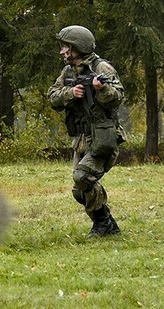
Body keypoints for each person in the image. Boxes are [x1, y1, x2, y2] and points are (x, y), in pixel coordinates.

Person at [48, 26, 126, 238]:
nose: (62, 51)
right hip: (81, 138)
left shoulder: (101, 68)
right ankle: (108, 224)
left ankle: (103, 224)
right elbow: (53, 96)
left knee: (82, 177)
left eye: (65, 47)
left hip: (102, 137)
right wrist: (70, 93)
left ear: (77, 47)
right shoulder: (68, 72)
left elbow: (118, 97)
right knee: (79, 189)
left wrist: (101, 89)